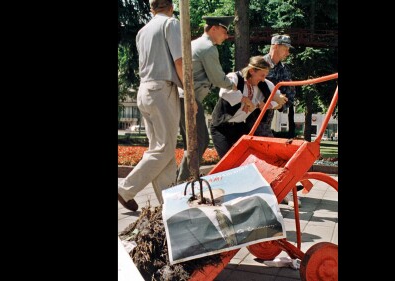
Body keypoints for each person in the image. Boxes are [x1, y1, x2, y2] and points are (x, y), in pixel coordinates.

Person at [118, 0, 183, 212]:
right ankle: (126, 189)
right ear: (171, 7)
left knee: (162, 150)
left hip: (145, 89)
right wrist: (189, 92)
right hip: (162, 90)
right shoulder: (171, 24)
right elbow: (179, 61)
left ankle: (170, 203)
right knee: (164, 149)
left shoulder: (143, 31)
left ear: (151, 9)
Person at [177, 16, 237, 184]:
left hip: (185, 98)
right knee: (199, 142)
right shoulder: (208, 48)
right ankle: (182, 183)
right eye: (225, 32)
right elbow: (218, 78)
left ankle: (181, 181)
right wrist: (234, 84)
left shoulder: (196, 43)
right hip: (190, 100)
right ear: (214, 29)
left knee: (193, 143)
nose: (226, 36)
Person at [210, 56, 286, 159]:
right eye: (262, 75)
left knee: (248, 156)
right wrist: (245, 100)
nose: (263, 79)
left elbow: (279, 101)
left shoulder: (264, 84)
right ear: (251, 71)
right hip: (220, 127)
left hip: (239, 126)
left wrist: (269, 104)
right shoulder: (234, 77)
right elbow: (224, 92)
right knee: (228, 159)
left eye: (265, 76)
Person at [247, 34, 294, 137]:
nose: (288, 53)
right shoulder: (258, 64)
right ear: (276, 46)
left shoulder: (284, 70)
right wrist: (262, 103)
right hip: (249, 112)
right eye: (285, 49)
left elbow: (290, 94)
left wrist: (274, 105)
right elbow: (249, 84)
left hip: (266, 118)